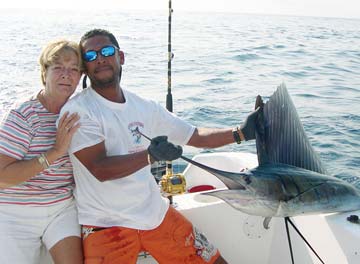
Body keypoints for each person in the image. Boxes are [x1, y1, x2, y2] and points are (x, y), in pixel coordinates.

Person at [60, 28, 260, 264]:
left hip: (156, 214)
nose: (100, 59)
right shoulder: (78, 110)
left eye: (106, 51)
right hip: (105, 226)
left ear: (120, 57)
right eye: (91, 56)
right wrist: (150, 156)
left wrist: (241, 133)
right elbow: (100, 169)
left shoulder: (145, 107)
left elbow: (195, 136)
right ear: (85, 67)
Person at [0, 40, 83, 264]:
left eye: (74, 69)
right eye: (58, 67)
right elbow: (2, 177)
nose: (67, 74)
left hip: (60, 208)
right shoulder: (23, 115)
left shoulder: (81, 112)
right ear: (44, 72)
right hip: (14, 212)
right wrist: (55, 152)